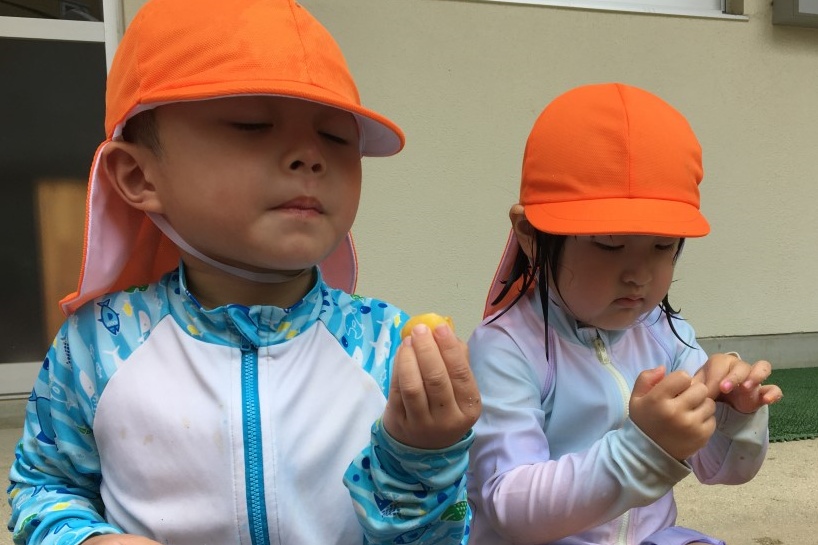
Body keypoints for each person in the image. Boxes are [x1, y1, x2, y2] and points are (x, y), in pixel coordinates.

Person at [6, 1, 480, 544]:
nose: (310, 156)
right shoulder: (97, 345)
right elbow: (43, 487)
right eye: (253, 125)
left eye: (335, 136)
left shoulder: (387, 349)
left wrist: (421, 459)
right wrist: (89, 539)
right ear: (138, 175)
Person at [466, 82, 782, 545]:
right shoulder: (506, 347)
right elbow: (509, 506)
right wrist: (643, 449)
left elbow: (720, 470)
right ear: (531, 235)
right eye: (609, 245)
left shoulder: (666, 335)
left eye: (662, 246)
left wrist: (733, 416)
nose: (639, 275)